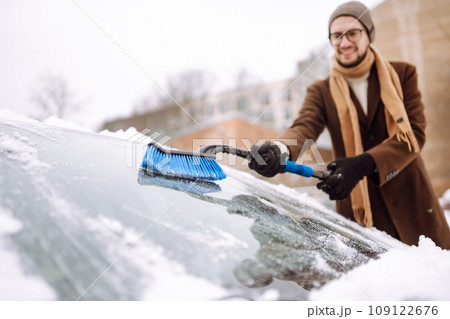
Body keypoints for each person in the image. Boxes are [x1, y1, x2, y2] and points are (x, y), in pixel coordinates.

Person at [248, 1, 450, 249]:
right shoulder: (321, 91)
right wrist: (279, 149)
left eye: (353, 33)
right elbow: (304, 126)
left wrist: (363, 163)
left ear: (368, 34)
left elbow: (414, 136)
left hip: (414, 204)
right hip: (360, 214)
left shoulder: (403, 75)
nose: (344, 43)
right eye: (337, 36)